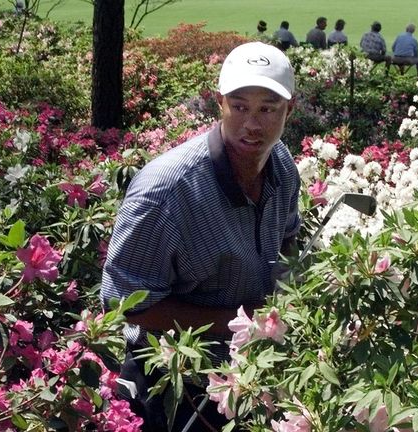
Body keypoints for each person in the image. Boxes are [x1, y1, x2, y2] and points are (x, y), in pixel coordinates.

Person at [101, 41, 300, 431]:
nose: (253, 125)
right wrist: (240, 322)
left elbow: (289, 239)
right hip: (171, 381)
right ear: (219, 103)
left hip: (249, 371)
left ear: (289, 110)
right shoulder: (167, 191)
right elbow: (125, 303)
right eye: (240, 106)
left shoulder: (281, 165)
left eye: (268, 109)